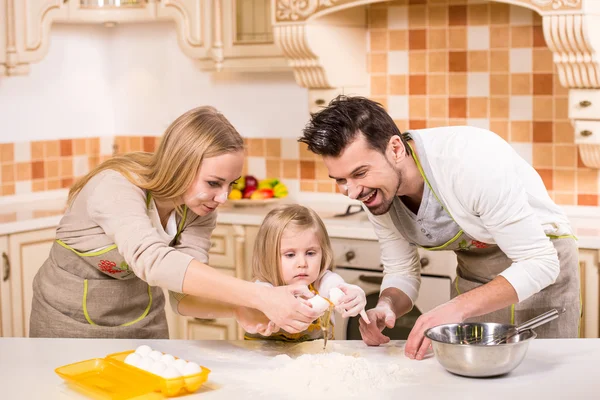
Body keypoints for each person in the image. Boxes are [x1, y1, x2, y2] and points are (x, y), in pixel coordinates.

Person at [299, 95, 580, 360]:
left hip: (544, 268)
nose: (352, 192)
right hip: (477, 276)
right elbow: (401, 272)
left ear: (396, 149)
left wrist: (455, 308)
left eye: (360, 173)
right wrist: (387, 305)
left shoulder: (469, 163)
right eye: (340, 180)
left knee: (541, 378)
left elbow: (540, 263)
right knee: (474, 378)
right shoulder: (375, 193)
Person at [29, 106, 320, 339]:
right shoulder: (115, 186)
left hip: (143, 324)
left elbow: (184, 298)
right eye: (214, 182)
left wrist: (238, 308)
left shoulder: (197, 207)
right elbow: (152, 261)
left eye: (231, 184)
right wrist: (260, 297)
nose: (223, 197)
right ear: (179, 164)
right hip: (70, 327)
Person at [244, 204, 369, 341]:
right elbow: (257, 305)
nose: (302, 263)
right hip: (265, 360)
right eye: (290, 255)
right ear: (267, 256)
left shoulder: (323, 283)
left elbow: (338, 287)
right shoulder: (263, 289)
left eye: (310, 253)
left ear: (323, 253)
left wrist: (353, 295)